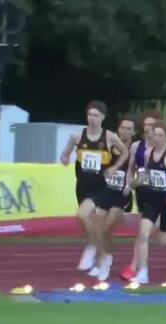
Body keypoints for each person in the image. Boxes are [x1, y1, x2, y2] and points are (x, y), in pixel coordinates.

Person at [118, 121, 166, 285]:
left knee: (164, 241)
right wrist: (135, 183)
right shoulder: (148, 153)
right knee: (143, 234)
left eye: (160, 135)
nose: (156, 138)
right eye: (154, 134)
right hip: (152, 200)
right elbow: (147, 173)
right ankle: (143, 272)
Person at [60, 100, 129, 273]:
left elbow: (125, 153)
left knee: (82, 214)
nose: (92, 118)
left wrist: (114, 167)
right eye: (90, 115)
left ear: (103, 117)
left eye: (96, 115)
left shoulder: (110, 137)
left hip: (101, 186)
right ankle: (102, 256)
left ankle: (92, 248)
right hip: (83, 185)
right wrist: (65, 158)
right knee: (92, 222)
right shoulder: (77, 136)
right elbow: (65, 153)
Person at [85, 114, 138, 281]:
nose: (125, 131)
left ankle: (106, 261)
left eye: (129, 129)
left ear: (134, 132)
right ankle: (103, 259)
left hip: (121, 194)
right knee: (99, 227)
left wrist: (129, 186)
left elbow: (134, 170)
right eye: (122, 127)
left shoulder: (134, 149)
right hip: (106, 191)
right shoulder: (110, 144)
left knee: (107, 228)